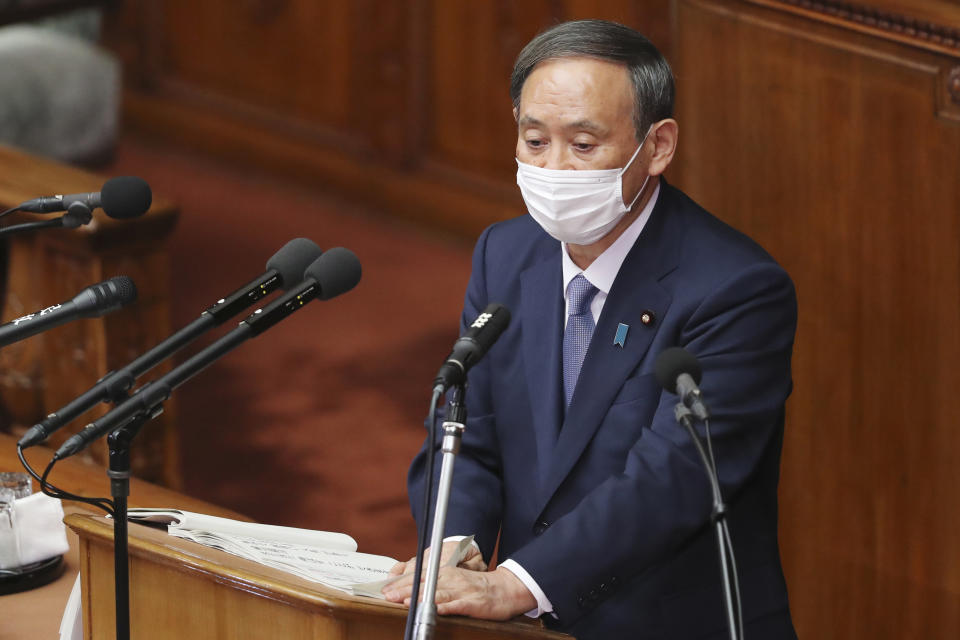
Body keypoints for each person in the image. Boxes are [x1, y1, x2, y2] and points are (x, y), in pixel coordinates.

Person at [384, 19, 798, 639]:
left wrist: (515, 583)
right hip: (525, 627)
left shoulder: (736, 289)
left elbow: (671, 480)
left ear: (657, 146)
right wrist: (455, 545)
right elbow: (468, 429)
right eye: (534, 140)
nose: (554, 169)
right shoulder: (506, 253)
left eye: (583, 145)